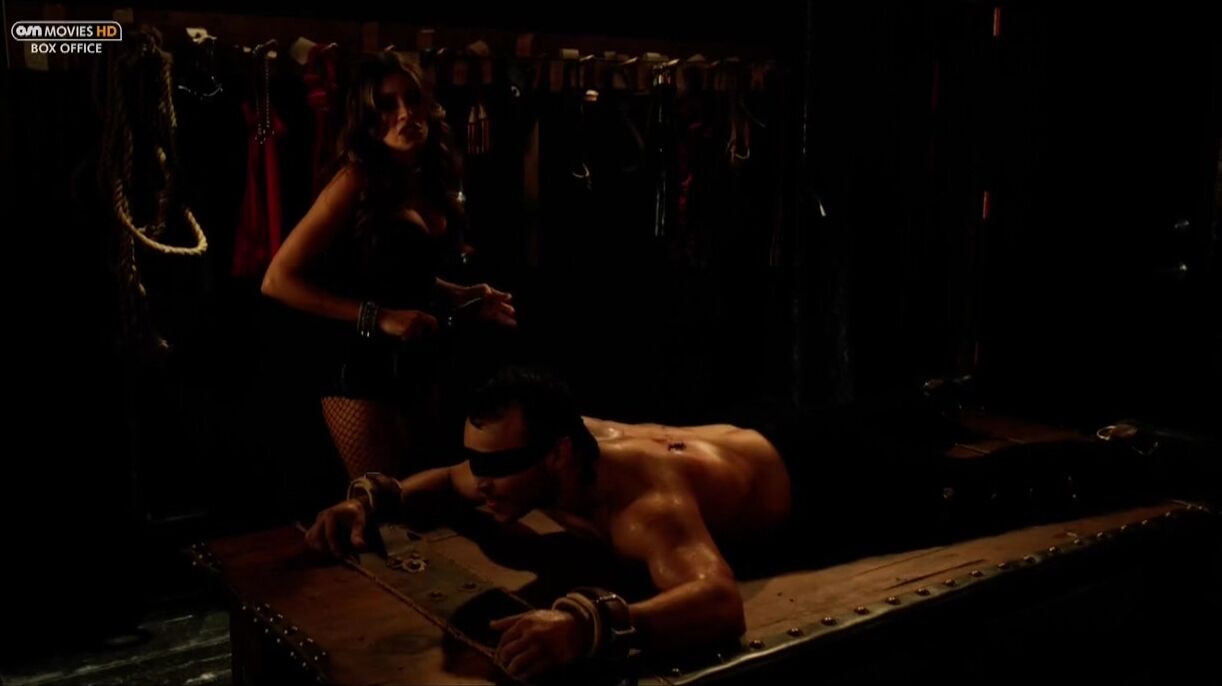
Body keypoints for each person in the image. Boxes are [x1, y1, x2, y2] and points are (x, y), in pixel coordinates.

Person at [306, 366, 962, 680]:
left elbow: (719, 601)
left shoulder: (645, 509)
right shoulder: (522, 460)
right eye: (477, 461)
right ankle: (928, 395)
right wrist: (368, 500)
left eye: (495, 468)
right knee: (882, 406)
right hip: (746, 432)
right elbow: (443, 481)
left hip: (820, 478)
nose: (479, 482)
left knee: (969, 479)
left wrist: (588, 625)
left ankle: (945, 395)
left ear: (559, 455)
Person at [262, 51, 517, 480]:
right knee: (384, 501)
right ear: (367, 119)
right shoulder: (355, 179)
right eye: (387, 104)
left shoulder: (427, 177)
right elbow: (277, 280)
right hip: (356, 366)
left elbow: (403, 274)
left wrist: (468, 296)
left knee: (424, 495)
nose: (405, 113)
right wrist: (379, 317)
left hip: (417, 360)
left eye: (413, 99)